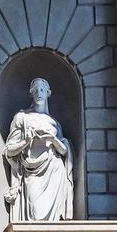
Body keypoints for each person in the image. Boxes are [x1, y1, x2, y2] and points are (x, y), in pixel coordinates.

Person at [4, 77, 73, 221]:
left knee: (52, 222)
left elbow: (64, 151)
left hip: (54, 170)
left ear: (48, 93)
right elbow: (9, 150)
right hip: (31, 172)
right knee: (35, 211)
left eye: (42, 90)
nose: (39, 93)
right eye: (35, 90)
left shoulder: (54, 123)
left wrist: (53, 139)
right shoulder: (21, 118)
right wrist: (26, 141)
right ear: (31, 93)